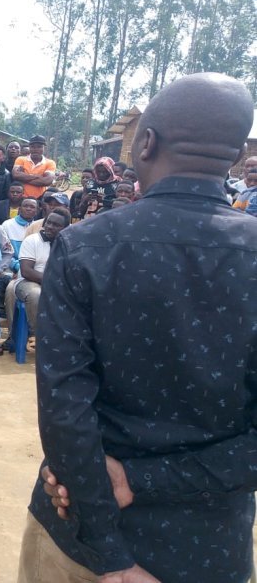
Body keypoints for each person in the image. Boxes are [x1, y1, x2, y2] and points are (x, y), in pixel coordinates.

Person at [20, 72, 257, 583]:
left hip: (77, 535)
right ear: (237, 155)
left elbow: (65, 408)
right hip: (206, 549)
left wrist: (109, 554)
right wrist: (143, 480)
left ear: (145, 143)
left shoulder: (83, 247)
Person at [3, 208, 69, 333]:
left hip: (58, 284)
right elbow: (27, 271)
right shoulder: (32, 240)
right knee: (36, 294)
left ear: (65, 228)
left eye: (56, 225)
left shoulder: (68, 244)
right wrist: (54, 281)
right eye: (48, 222)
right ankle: (37, 335)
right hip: (28, 282)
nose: (49, 227)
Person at [12, 135, 55, 200]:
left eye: (39, 147)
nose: (36, 149)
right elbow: (15, 175)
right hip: (21, 198)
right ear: (29, 147)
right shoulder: (21, 159)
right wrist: (38, 176)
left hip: (40, 199)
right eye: (33, 147)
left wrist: (23, 178)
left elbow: (47, 181)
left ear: (44, 148)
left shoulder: (50, 163)